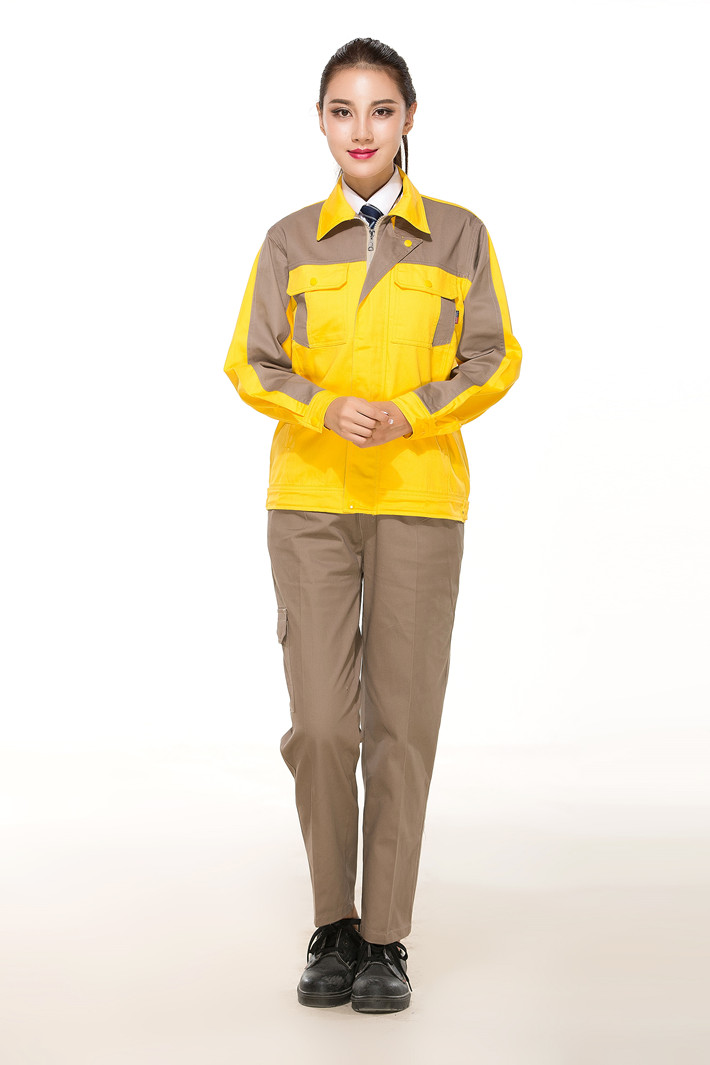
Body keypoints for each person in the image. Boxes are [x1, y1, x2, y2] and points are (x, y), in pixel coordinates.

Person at [223, 37, 522, 1014]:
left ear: (408, 119)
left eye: (380, 110)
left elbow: (493, 356)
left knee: (402, 722)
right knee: (321, 724)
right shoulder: (287, 241)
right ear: (320, 121)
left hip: (418, 498)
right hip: (310, 500)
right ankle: (333, 923)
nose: (361, 129)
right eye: (342, 110)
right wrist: (322, 407)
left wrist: (415, 412)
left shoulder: (459, 236)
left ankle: (384, 937)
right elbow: (250, 360)